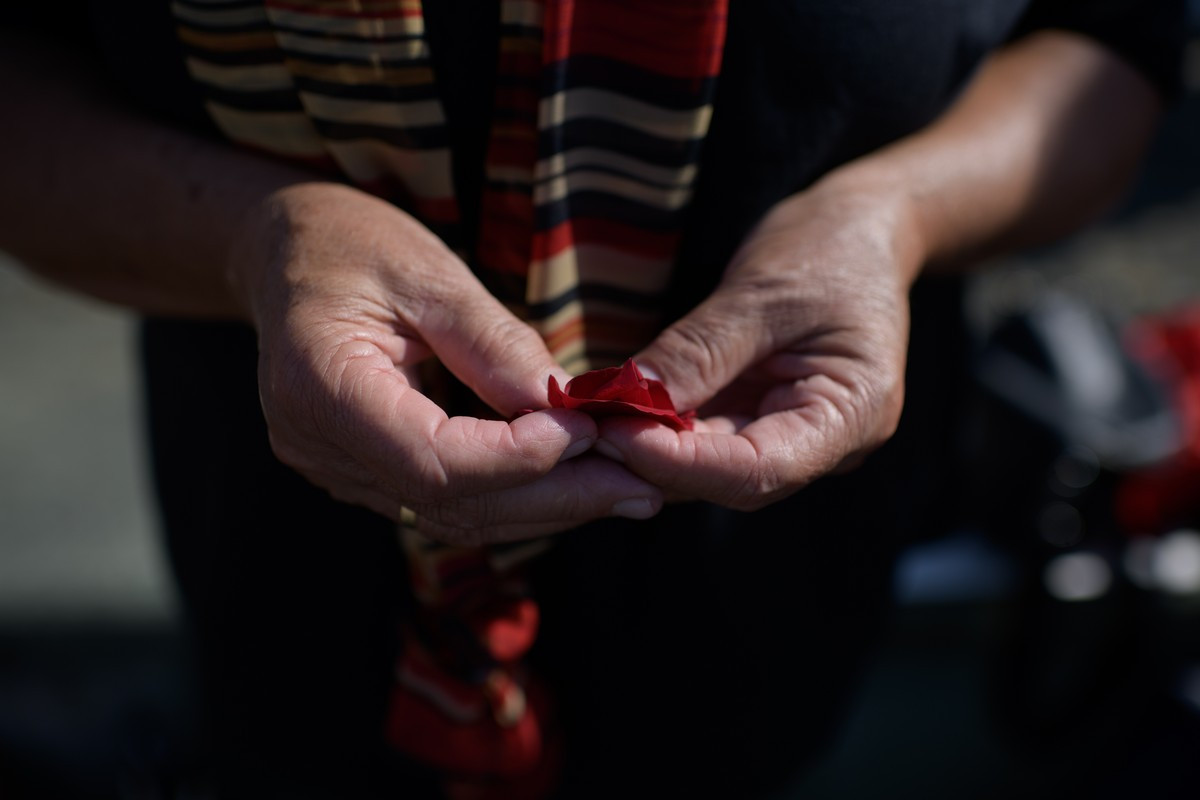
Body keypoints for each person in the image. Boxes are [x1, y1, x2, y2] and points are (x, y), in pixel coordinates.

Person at [1, 1, 1186, 798]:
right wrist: (259, 243)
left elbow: (1112, 48)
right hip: (281, 585)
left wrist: (895, 215)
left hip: (775, 606)